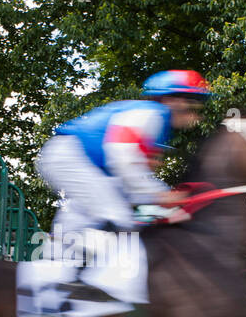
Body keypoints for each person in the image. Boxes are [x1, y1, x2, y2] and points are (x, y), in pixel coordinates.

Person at [36, 70, 211, 263]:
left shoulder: (155, 121)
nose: (196, 115)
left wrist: (164, 200)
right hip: (72, 157)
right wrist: (160, 195)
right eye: (193, 106)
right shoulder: (153, 114)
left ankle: (55, 268)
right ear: (175, 102)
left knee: (92, 216)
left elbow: (130, 184)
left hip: (74, 158)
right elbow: (122, 159)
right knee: (119, 219)